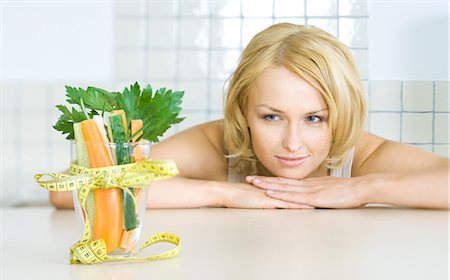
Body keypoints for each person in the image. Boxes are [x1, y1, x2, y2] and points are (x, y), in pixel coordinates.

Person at [51, 23, 449, 210]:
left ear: (341, 115)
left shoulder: (358, 157)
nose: (293, 143)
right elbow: (68, 192)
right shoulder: (216, 146)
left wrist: (365, 188)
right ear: (242, 111)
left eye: (315, 119)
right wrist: (223, 193)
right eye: (272, 117)